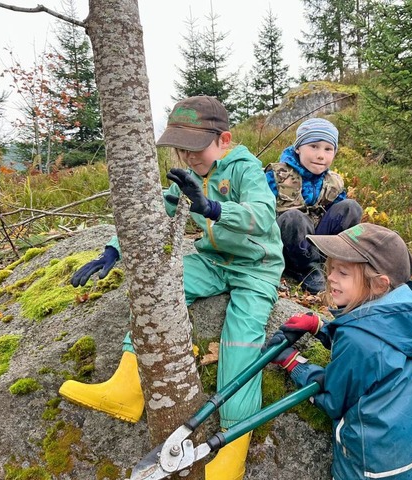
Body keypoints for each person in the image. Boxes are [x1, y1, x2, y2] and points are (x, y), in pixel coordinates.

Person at [60, 95, 284, 480]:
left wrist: (212, 208)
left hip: (256, 268)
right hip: (211, 260)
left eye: (195, 148)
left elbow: (262, 216)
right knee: (158, 287)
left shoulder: (245, 169)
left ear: (224, 139)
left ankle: (233, 445)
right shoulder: (190, 177)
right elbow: (151, 214)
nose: (188, 157)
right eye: (181, 149)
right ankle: (129, 386)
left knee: (242, 338)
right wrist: (113, 249)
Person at [263, 223, 412, 480]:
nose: (331, 277)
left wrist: (294, 363)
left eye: (343, 272)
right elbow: (374, 356)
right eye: (332, 268)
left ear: (379, 285)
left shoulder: (358, 340)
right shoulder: (402, 313)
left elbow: (334, 401)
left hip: (370, 469)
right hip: (411, 460)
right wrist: (322, 327)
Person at [265, 117, 362, 294]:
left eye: (328, 149)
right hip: (286, 243)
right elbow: (260, 214)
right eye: (314, 146)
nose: (320, 155)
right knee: (294, 217)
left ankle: (334, 264)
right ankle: (305, 269)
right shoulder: (277, 175)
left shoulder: (334, 181)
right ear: (298, 148)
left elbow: (339, 221)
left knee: (351, 208)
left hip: (318, 242)